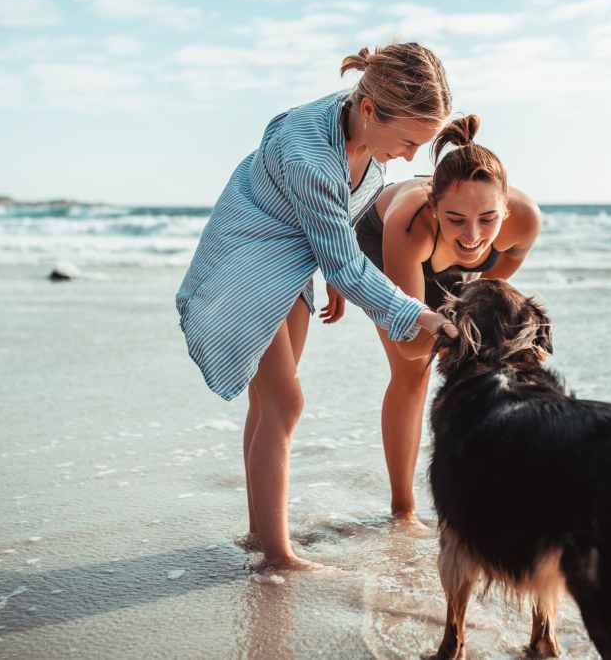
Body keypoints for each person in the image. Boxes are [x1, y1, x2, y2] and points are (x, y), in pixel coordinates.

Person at [176, 43, 458, 571]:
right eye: (408, 141)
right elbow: (349, 267)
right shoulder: (309, 154)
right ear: (371, 111)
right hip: (247, 257)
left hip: (294, 257)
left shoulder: (366, 113)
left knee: (268, 406)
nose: (412, 157)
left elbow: (339, 237)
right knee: (286, 403)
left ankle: (262, 533)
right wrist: (415, 314)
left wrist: (336, 254)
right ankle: (278, 555)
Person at [323, 114, 541, 528]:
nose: (474, 235)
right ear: (435, 204)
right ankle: (403, 510)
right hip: (379, 240)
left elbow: (503, 264)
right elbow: (409, 342)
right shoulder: (411, 220)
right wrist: (345, 276)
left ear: (506, 204)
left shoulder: (525, 220)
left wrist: (465, 313)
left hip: (443, 264)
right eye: (456, 218)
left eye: (488, 219)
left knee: (485, 367)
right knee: (413, 370)